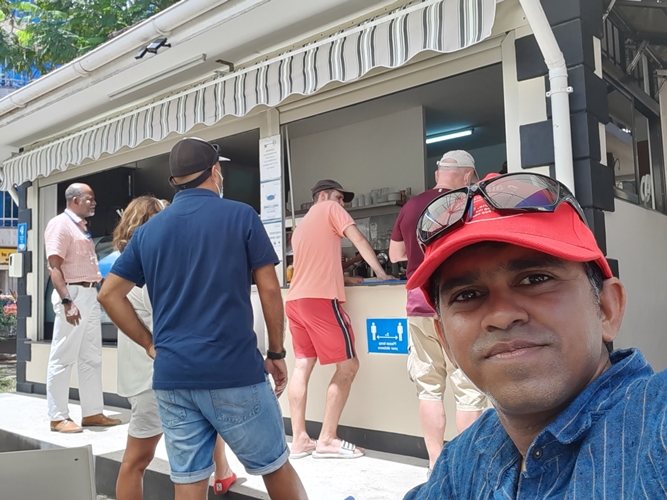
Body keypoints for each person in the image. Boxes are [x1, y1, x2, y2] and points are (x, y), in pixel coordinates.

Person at [404, 172, 667, 499]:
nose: (501, 315)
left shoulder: (655, 425)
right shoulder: (462, 462)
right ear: (444, 340)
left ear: (606, 308)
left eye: (535, 279)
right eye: (467, 295)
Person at [98, 137, 307, 500]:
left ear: (175, 181)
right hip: (234, 370)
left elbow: (108, 294)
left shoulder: (148, 232)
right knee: (274, 467)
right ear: (215, 171)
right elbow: (270, 290)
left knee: (190, 481)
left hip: (173, 378)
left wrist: (150, 344)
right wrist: (276, 352)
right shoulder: (241, 216)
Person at [112, 196, 236, 500]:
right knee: (136, 461)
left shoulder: (125, 267)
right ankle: (222, 472)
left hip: (144, 376)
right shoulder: (149, 270)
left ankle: (223, 471)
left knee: (205, 421)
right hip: (155, 378)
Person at [389, 151, 487, 471]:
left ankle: (435, 463)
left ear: (437, 175)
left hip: (418, 301)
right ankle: (467, 467)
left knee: (429, 387)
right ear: (468, 176)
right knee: (467, 386)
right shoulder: (468, 202)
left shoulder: (411, 206)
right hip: (456, 302)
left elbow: (395, 254)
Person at [286, 179, 393, 459]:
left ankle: (299, 440)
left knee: (301, 366)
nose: (342, 203)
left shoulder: (301, 226)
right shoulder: (330, 209)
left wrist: (343, 277)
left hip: (296, 302)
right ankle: (327, 439)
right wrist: (381, 273)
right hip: (320, 301)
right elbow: (359, 239)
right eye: (338, 197)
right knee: (348, 366)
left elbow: (311, 265)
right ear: (322, 196)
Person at [44, 183, 121, 433]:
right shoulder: (60, 225)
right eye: (90, 198)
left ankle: (92, 413)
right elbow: (54, 267)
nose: (94, 202)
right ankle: (57, 417)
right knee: (63, 357)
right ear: (75, 200)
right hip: (72, 295)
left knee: (91, 357)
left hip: (89, 293)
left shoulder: (81, 227)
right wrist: (67, 301)